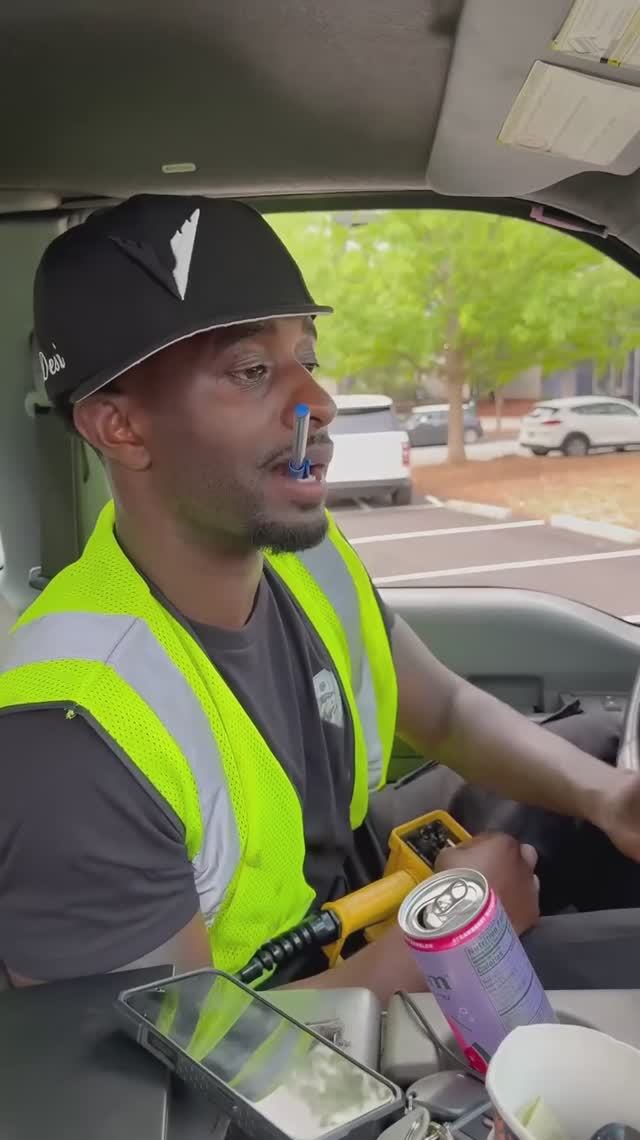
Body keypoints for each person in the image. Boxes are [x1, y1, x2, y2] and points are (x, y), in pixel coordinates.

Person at [1, 194, 640, 1003]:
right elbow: (150, 1058)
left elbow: (442, 710)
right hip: (293, 1028)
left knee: (596, 750)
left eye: (306, 356)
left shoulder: (305, 556)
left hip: (351, 900)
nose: (319, 402)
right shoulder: (74, 735)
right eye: (252, 371)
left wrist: (607, 797)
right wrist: (456, 938)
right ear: (120, 428)